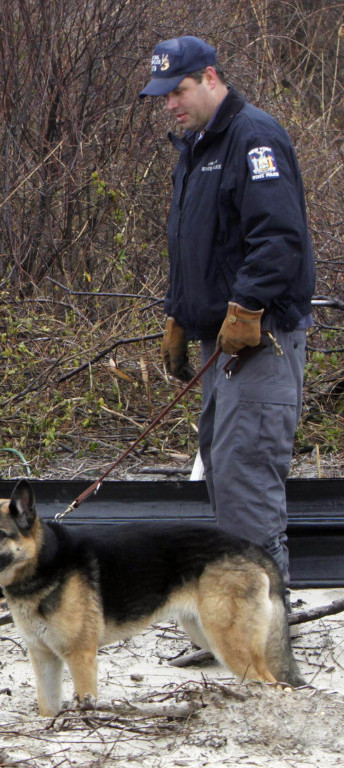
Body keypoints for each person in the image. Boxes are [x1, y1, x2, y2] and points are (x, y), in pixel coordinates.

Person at [142, 36, 315, 585]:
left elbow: (278, 238)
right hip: (220, 342)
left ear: (211, 78)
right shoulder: (197, 148)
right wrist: (179, 314)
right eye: (163, 95)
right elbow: (196, 247)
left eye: (179, 90)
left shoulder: (253, 137)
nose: (170, 103)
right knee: (222, 469)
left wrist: (247, 307)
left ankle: (265, 622)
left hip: (262, 337)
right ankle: (242, 615)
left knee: (247, 482)